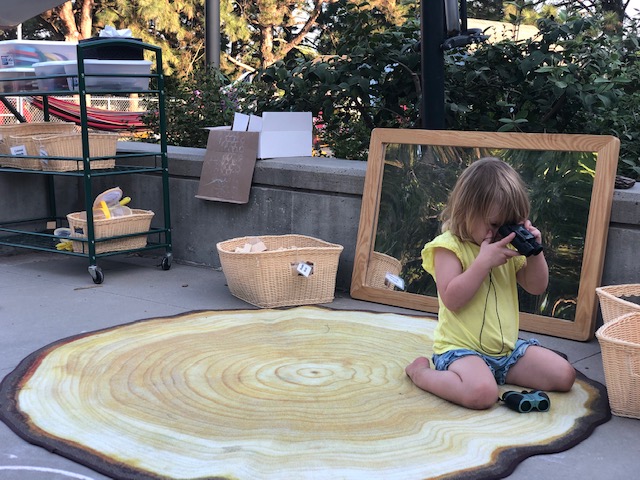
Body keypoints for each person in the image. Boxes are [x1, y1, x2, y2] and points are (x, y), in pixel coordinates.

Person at [406, 157, 576, 410]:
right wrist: (482, 263)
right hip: (461, 350)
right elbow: (452, 299)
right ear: (467, 212)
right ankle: (421, 374)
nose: (501, 233)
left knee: (564, 375)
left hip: (507, 352)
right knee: (482, 394)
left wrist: (534, 252)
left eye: (510, 224)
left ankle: (492, 373)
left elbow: (536, 287)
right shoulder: (448, 247)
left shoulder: (505, 247)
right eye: (495, 224)